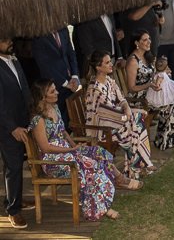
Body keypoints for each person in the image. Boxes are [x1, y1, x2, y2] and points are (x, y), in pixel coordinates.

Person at [28, 79, 121, 220]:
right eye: (53, 91)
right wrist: (71, 151)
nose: (57, 92)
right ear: (42, 97)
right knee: (88, 164)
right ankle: (99, 207)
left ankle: (108, 190)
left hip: (67, 152)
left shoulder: (55, 108)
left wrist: (74, 146)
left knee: (99, 153)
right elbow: (46, 148)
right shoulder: (38, 120)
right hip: (52, 161)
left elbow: (64, 132)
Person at [84, 50, 155, 180]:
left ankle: (138, 166)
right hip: (101, 129)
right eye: (107, 63)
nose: (111, 64)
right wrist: (134, 112)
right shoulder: (95, 90)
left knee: (135, 123)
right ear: (98, 67)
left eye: (109, 61)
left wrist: (128, 109)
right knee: (135, 124)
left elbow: (122, 99)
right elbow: (110, 112)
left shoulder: (109, 81)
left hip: (113, 120)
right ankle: (139, 166)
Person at [0, 37, 32, 230]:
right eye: (4, 40)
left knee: (18, 163)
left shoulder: (14, 60)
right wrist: (12, 127)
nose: (9, 42)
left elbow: (24, 89)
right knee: (13, 166)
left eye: (9, 39)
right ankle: (13, 210)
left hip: (22, 121)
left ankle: (16, 199)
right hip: (7, 126)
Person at [31, 26, 81, 131]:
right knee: (60, 121)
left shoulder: (63, 30)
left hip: (71, 83)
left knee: (72, 117)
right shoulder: (39, 38)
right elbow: (45, 65)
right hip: (55, 86)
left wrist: (75, 77)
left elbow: (71, 54)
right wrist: (65, 82)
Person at [72, 13, 123, 80]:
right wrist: (99, 65)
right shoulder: (87, 21)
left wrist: (119, 56)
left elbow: (113, 36)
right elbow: (87, 48)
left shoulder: (109, 15)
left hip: (112, 59)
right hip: (99, 65)